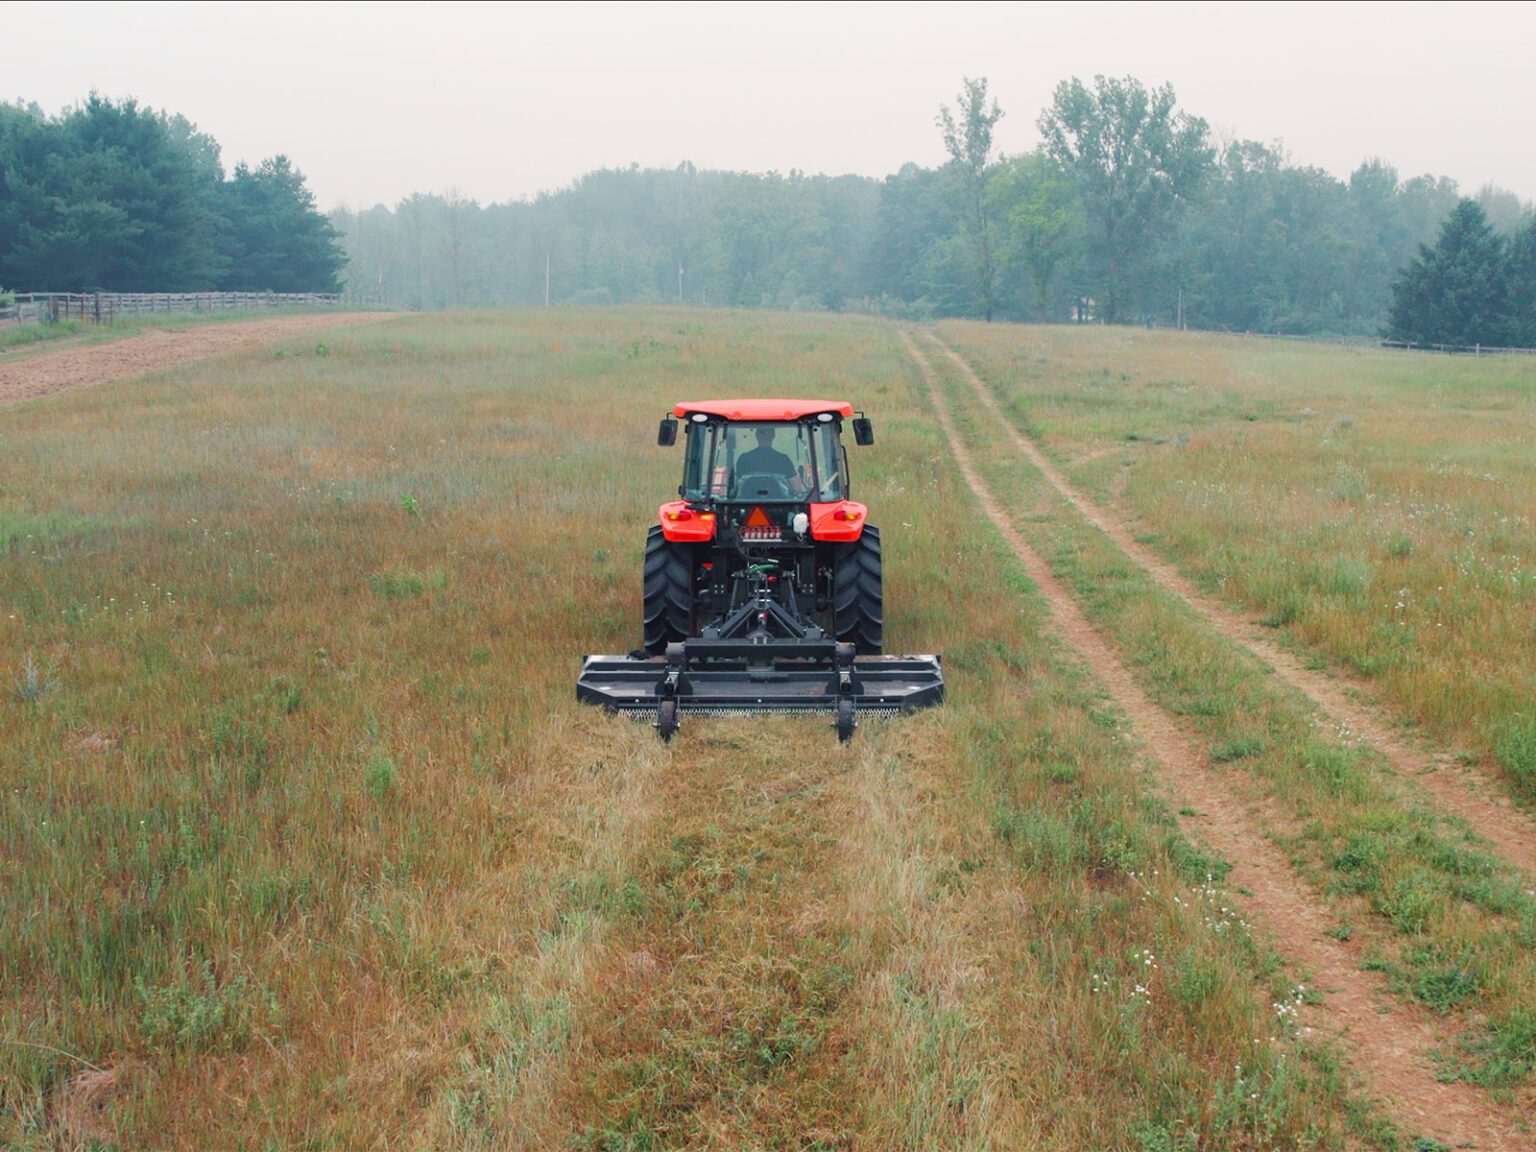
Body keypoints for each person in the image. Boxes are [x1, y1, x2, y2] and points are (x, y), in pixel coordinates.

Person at [734, 427, 806, 495]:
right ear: (773, 435)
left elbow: (735, 487)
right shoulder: (783, 459)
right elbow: (797, 488)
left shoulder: (744, 459)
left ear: (756, 435)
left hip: (747, 502)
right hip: (779, 503)